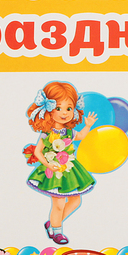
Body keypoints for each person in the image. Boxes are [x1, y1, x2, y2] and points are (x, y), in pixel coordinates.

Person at [25, 82, 96, 245]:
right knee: (58, 204)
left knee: (75, 201)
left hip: (69, 169)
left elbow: (81, 136)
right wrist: (48, 164)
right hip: (53, 170)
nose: (64, 113)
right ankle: (57, 232)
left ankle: (52, 223)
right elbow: (38, 152)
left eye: (69, 108)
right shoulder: (47, 133)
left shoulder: (69, 131)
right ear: (48, 110)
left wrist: (88, 126)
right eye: (58, 108)